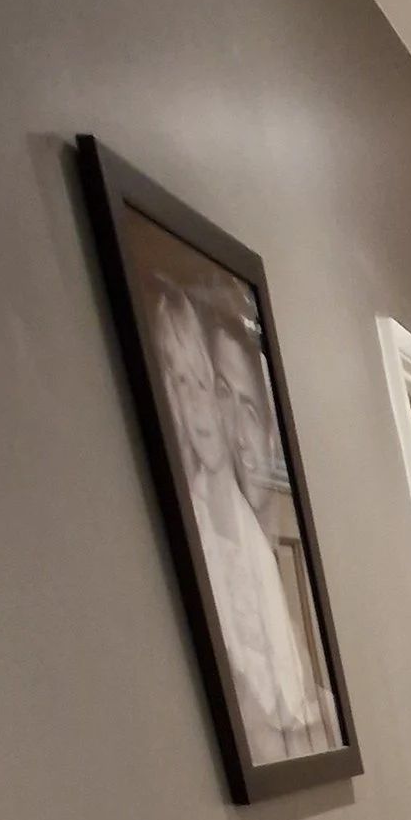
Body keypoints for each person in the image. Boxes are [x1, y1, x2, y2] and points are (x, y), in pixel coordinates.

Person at [147, 284, 319, 762]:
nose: (204, 408)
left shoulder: (256, 542)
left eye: (204, 384)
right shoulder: (198, 534)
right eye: (182, 385)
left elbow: (293, 697)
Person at [211, 316, 338, 754]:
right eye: (221, 397)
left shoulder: (275, 571)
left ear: (270, 436)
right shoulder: (222, 568)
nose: (235, 434)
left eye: (248, 409)